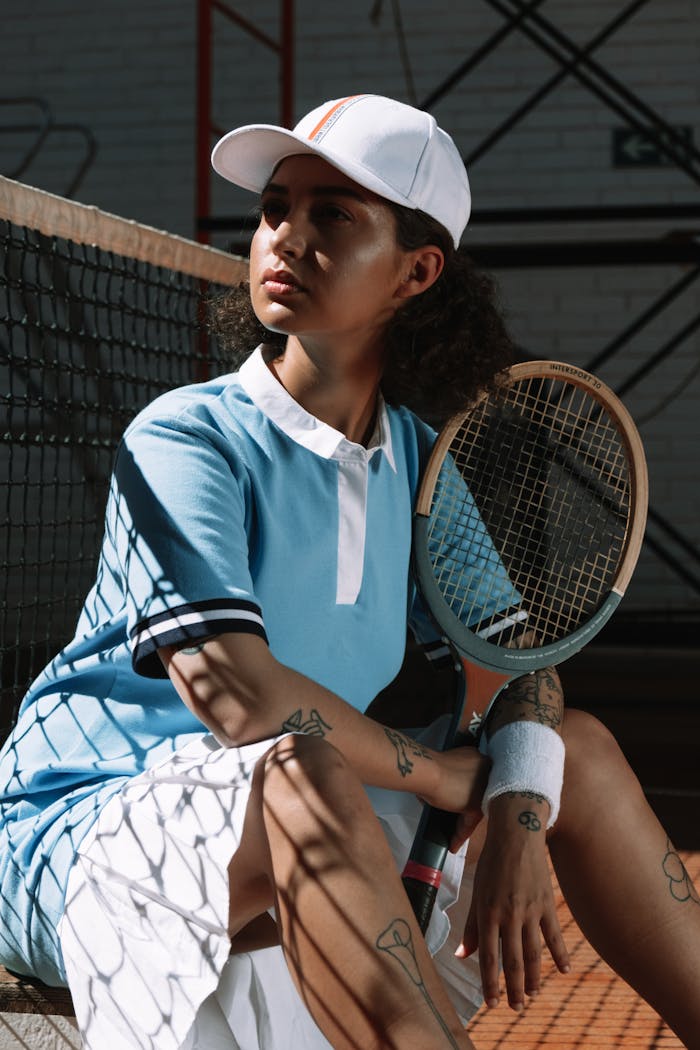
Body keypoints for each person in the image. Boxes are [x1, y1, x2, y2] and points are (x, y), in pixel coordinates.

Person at [0, 93, 698, 1050]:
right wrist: (454, 780)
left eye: (334, 214)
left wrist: (522, 812)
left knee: (579, 752)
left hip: (310, 807)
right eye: (276, 207)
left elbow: (522, 669)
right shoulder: (187, 437)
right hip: (92, 837)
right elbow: (241, 702)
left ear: (417, 271)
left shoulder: (417, 460)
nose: (286, 236)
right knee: (300, 764)